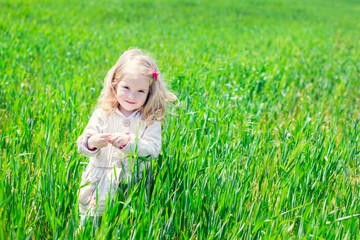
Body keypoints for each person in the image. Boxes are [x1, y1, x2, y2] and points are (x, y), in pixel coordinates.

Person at [76, 48, 177, 227]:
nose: (132, 96)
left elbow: (153, 150)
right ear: (115, 85)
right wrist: (93, 142)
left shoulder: (149, 120)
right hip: (100, 183)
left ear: (149, 93)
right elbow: (83, 144)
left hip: (133, 185)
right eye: (126, 88)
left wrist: (131, 143)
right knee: (90, 225)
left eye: (140, 91)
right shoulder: (102, 114)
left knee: (126, 226)